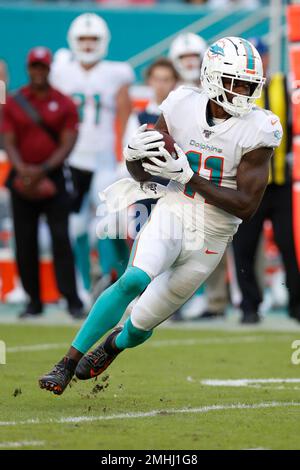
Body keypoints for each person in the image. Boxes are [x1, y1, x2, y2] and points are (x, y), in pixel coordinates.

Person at [39, 36, 282, 395]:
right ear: (213, 78)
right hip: (175, 210)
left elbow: (246, 206)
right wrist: (133, 157)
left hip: (213, 235)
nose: (245, 91)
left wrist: (188, 176)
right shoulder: (182, 103)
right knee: (134, 279)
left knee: (140, 326)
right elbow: (143, 171)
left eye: (250, 83)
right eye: (237, 83)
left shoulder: (259, 128)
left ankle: (113, 345)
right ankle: (67, 363)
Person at [51, 13, 134, 300]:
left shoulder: (117, 73)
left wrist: (124, 157)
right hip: (71, 161)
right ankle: (82, 287)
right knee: (75, 228)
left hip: (104, 161)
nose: (87, 45)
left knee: (111, 224)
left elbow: (125, 115)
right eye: (83, 39)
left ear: (104, 41)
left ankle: (119, 285)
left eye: (93, 39)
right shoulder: (60, 70)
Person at [1, 47, 84, 319]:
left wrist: (45, 169)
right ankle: (33, 300)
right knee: (25, 242)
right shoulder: (15, 102)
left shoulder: (63, 102)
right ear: (28, 68)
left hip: (53, 176)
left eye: (43, 67)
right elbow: (8, 139)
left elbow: (68, 141)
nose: (38, 71)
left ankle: (70, 298)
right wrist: (23, 169)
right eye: (34, 67)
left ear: (49, 69)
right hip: (22, 177)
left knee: (61, 239)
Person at [232, 37, 300, 324]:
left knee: (291, 244)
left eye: (263, 55)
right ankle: (250, 305)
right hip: (249, 185)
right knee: (244, 246)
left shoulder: (284, 85)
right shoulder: (235, 90)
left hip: (282, 184)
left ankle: (296, 305)